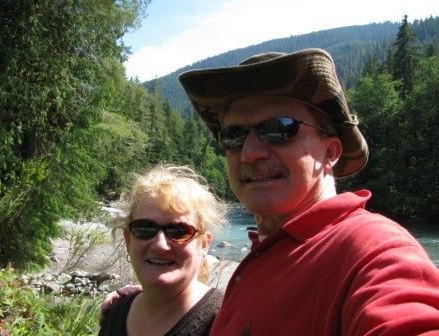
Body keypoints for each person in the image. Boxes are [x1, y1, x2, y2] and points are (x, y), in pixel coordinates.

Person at [103, 49, 439, 335]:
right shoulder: (267, 255)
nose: (250, 153)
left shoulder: (371, 250)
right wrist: (155, 299)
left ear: (331, 152)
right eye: (234, 135)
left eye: (279, 129)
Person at [99, 164, 225, 336]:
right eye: (145, 228)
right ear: (128, 240)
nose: (160, 245)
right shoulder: (115, 313)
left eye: (178, 231)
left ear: (204, 244)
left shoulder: (226, 322)